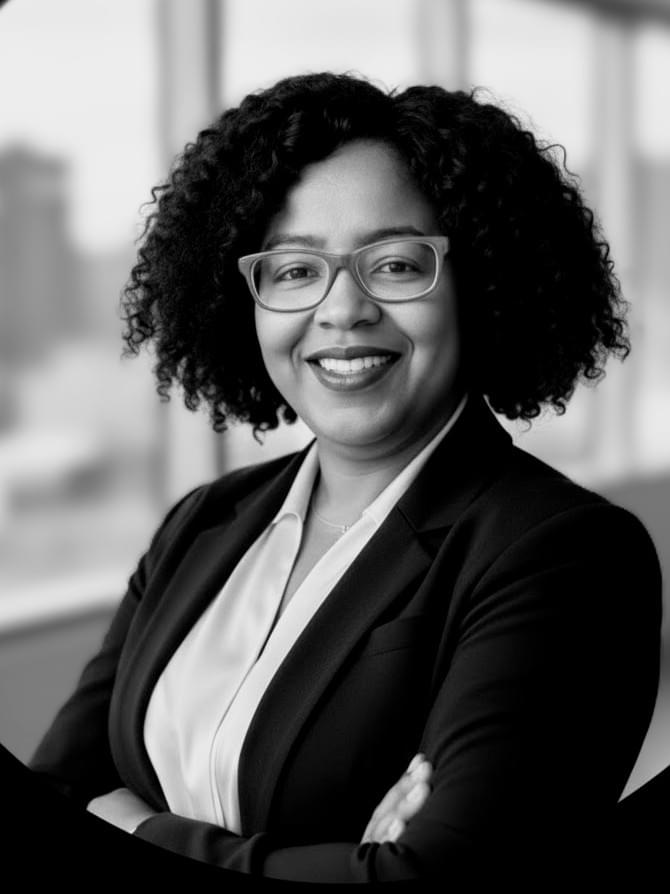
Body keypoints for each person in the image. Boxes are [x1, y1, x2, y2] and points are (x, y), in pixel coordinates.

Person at [29, 71, 662, 884]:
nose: (342, 309)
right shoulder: (204, 521)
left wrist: (137, 825)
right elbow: (60, 781)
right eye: (295, 270)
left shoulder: (563, 552)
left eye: (396, 264)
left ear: (482, 285)